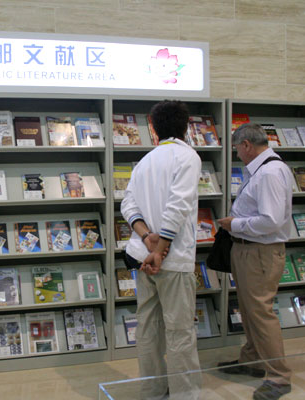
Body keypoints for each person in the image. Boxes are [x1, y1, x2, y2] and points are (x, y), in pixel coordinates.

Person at [121, 100, 202, 400]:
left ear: (153, 127)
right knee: (180, 332)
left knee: (148, 329)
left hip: (145, 258)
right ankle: (185, 395)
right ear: (186, 125)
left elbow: (128, 204)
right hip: (172, 260)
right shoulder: (188, 157)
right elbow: (179, 205)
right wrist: (161, 248)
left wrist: (146, 240)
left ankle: (153, 392)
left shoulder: (146, 160)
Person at [217, 123, 293, 400]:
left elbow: (271, 221)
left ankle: (279, 378)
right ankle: (253, 361)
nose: (237, 154)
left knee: (260, 313)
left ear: (247, 145)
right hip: (249, 251)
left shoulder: (270, 172)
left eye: (237, 148)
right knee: (250, 311)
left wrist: (234, 223)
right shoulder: (264, 170)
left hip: (259, 252)